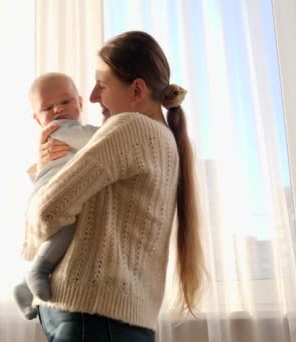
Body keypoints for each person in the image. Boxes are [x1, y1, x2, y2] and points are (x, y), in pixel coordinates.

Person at [23, 31, 204, 341]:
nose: (92, 97)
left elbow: (47, 211)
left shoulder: (130, 128)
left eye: (101, 85)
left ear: (136, 90)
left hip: (90, 319)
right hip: (115, 321)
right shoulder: (166, 141)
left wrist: (45, 171)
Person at [13, 73, 99, 320]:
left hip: (46, 191)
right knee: (67, 224)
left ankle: (24, 285)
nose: (59, 110)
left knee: (60, 239)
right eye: (48, 107)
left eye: (65, 101)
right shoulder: (63, 128)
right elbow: (102, 139)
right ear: (37, 118)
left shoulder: (63, 132)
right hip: (52, 191)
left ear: (80, 103)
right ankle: (39, 270)